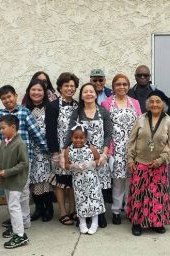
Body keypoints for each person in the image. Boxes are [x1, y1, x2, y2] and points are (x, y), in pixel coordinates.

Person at [0, 85, 47, 231]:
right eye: (3, 98)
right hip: (7, 160)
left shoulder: (24, 112)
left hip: (24, 159)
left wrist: (49, 151)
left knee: (22, 192)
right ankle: (19, 221)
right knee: (11, 192)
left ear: (16, 96)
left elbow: (36, 134)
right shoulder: (0, 115)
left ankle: (23, 223)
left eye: (9, 96)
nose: (7, 100)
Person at [126, 90, 170, 236]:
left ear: (163, 104)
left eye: (158, 101)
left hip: (159, 165)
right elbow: (132, 140)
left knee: (157, 196)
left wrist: (161, 159)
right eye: (152, 101)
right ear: (148, 104)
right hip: (140, 163)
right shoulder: (141, 119)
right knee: (139, 194)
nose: (154, 104)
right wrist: (130, 159)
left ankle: (157, 222)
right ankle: (137, 223)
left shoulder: (169, 121)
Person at [66, 83, 113, 228]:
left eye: (91, 91)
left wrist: (104, 154)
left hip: (99, 155)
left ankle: (100, 215)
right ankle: (85, 215)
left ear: (95, 94)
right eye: (85, 92)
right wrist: (65, 153)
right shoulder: (77, 113)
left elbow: (108, 134)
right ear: (81, 95)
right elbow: (70, 134)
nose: (88, 94)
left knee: (100, 186)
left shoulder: (103, 111)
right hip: (81, 155)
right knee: (84, 188)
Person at [101, 74, 141, 225]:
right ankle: (116, 211)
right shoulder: (106, 103)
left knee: (132, 181)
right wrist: (108, 151)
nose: (122, 87)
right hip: (115, 148)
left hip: (133, 149)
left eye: (124, 84)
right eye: (118, 84)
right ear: (113, 86)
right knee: (118, 182)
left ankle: (130, 210)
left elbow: (140, 125)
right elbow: (106, 128)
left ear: (128, 86)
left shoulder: (135, 103)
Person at [45, 72, 79, 226]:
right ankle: (63, 212)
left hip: (75, 150)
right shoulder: (52, 106)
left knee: (72, 180)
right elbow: (50, 130)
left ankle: (73, 210)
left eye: (72, 86)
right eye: (66, 86)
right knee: (60, 181)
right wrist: (55, 153)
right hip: (58, 151)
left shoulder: (78, 106)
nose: (70, 89)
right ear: (60, 87)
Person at [0, 115, 30, 249]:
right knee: (12, 206)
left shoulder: (20, 143)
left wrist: (6, 172)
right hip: (7, 181)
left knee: (14, 207)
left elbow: (24, 163)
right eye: (0, 128)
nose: (1, 130)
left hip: (16, 181)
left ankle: (20, 235)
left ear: (13, 127)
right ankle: (16, 229)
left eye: (3, 128)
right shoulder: (4, 142)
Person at [64, 124, 103, 235]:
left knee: (94, 200)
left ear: (86, 138)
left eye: (81, 138)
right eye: (76, 138)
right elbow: (66, 165)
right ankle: (82, 223)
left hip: (92, 180)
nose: (78, 140)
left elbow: (98, 159)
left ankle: (95, 223)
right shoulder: (68, 150)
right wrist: (73, 166)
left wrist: (92, 163)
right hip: (78, 181)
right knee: (80, 201)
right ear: (71, 138)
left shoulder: (91, 148)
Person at [24, 79, 54, 222]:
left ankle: (49, 208)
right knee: (34, 180)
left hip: (47, 150)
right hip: (31, 151)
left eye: (39, 90)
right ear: (29, 92)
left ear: (44, 92)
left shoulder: (51, 107)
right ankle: (38, 208)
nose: (36, 93)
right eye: (33, 90)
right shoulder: (24, 109)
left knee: (46, 180)